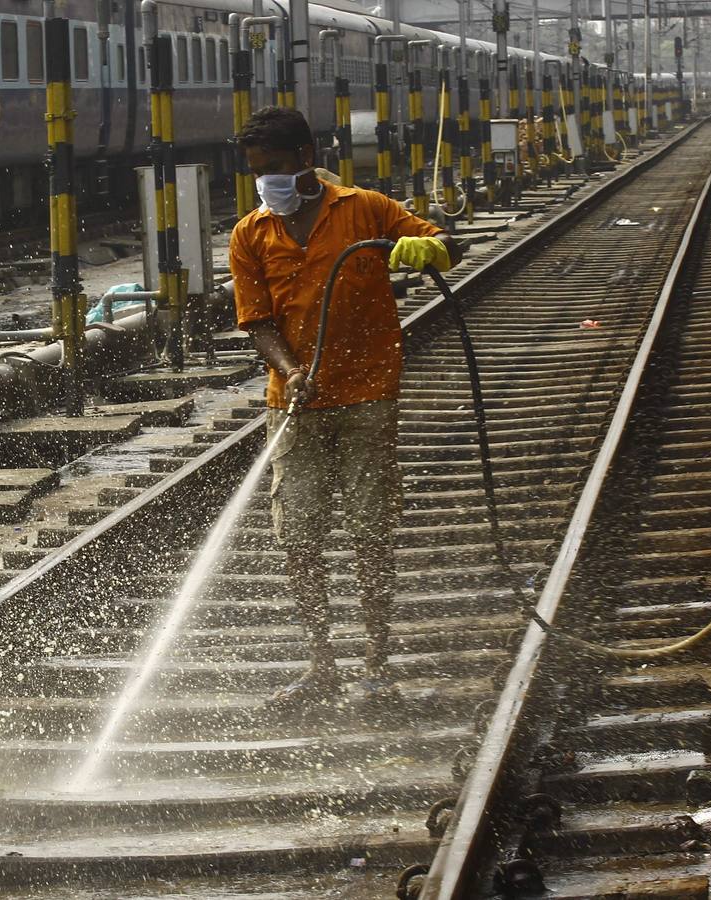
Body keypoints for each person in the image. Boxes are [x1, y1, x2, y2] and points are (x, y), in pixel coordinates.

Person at [228, 106, 463, 708]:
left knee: (370, 530)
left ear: (306, 160)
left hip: (368, 396)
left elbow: (446, 246)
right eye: (258, 172)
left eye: (275, 168)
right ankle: (322, 664)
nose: (266, 182)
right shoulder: (251, 233)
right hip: (295, 404)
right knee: (297, 536)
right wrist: (290, 370)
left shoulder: (367, 210)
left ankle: (378, 665)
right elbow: (256, 321)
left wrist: (425, 250)